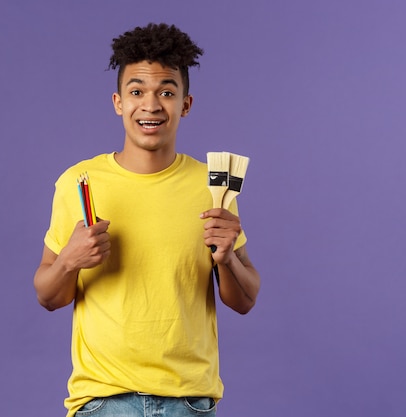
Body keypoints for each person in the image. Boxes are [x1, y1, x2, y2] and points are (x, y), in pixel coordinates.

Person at [34, 22, 260, 417]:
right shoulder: (79, 182)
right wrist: (70, 259)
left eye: (167, 92)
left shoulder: (212, 186)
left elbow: (245, 300)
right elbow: (48, 295)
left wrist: (225, 259)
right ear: (118, 102)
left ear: (185, 104)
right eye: (137, 91)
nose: (151, 105)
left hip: (189, 402)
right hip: (104, 400)